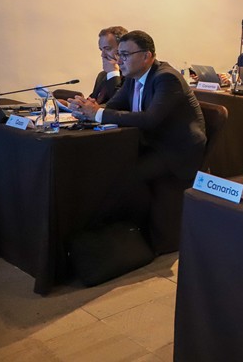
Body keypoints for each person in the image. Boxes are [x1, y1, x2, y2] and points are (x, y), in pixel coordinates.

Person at [69, 30, 207, 253]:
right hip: (150, 144)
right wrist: (87, 109)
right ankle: (102, 235)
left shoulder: (166, 78)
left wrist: (97, 114)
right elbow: (112, 108)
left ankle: (131, 239)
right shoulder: (133, 79)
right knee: (105, 167)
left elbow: (150, 119)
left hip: (176, 151)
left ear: (146, 56)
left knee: (125, 175)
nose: (119, 60)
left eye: (125, 54)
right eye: (119, 54)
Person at [90, 25, 127, 104]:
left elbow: (119, 104)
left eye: (107, 49)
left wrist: (113, 73)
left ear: (122, 48)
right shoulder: (102, 75)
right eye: (101, 50)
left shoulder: (132, 77)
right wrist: (75, 104)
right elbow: (92, 102)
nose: (102, 55)